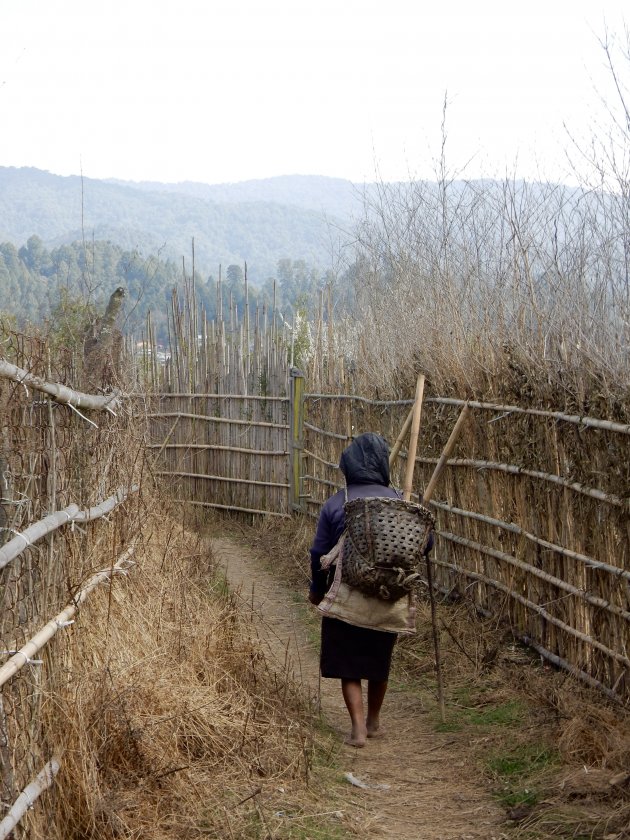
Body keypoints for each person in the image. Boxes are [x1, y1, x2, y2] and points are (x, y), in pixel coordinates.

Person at [308, 432, 404, 747]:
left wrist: (317, 591)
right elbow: (424, 544)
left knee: (349, 662)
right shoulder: (399, 502)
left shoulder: (337, 504)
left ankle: (358, 728)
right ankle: (374, 719)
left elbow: (318, 552)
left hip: (346, 598)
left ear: (348, 465)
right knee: (378, 659)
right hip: (386, 598)